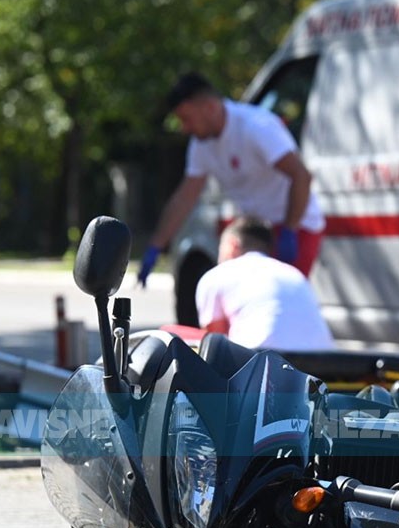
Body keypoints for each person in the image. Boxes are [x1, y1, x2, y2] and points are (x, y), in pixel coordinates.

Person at [137, 71, 325, 286]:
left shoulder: (256, 126)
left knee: (285, 301)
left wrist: (290, 230)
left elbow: (301, 176)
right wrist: (156, 246)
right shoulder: (201, 145)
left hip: (296, 224)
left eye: (187, 119)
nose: (184, 128)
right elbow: (185, 198)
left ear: (210, 106)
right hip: (259, 230)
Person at [196, 216, 334, 351]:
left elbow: (215, 345)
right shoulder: (294, 274)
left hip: (263, 362)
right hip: (323, 364)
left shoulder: (218, 275)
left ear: (232, 245)